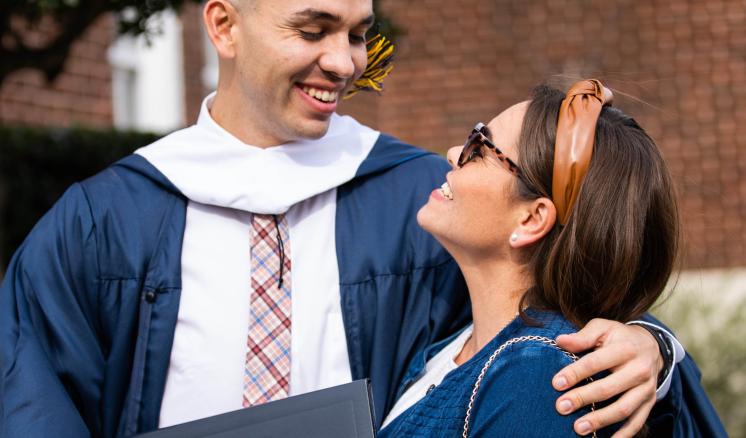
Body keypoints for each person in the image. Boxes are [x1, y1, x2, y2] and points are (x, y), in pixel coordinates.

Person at [0, 1, 708, 437]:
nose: (344, 62)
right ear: (223, 25)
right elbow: (33, 404)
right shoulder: (101, 222)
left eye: (357, 32)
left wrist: (650, 344)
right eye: (312, 29)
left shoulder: (422, 198)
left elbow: (553, 292)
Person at [378, 81, 726, 437]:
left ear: (531, 219)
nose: (453, 152)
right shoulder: (459, 336)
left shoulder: (539, 379)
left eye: (479, 148)